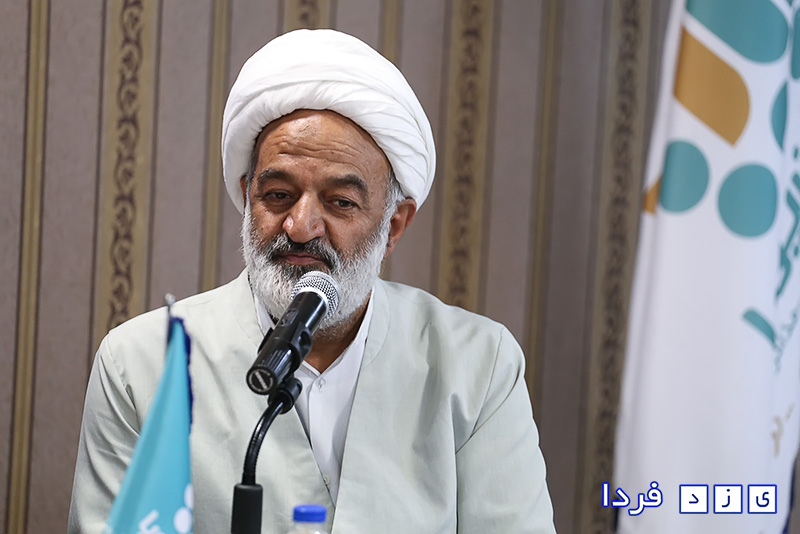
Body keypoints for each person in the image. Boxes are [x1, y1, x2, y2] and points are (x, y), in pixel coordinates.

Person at [69, 29, 555, 534]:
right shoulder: (141, 366)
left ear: (393, 226)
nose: (300, 227)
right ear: (248, 196)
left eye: (340, 202)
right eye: (278, 195)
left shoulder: (478, 367)